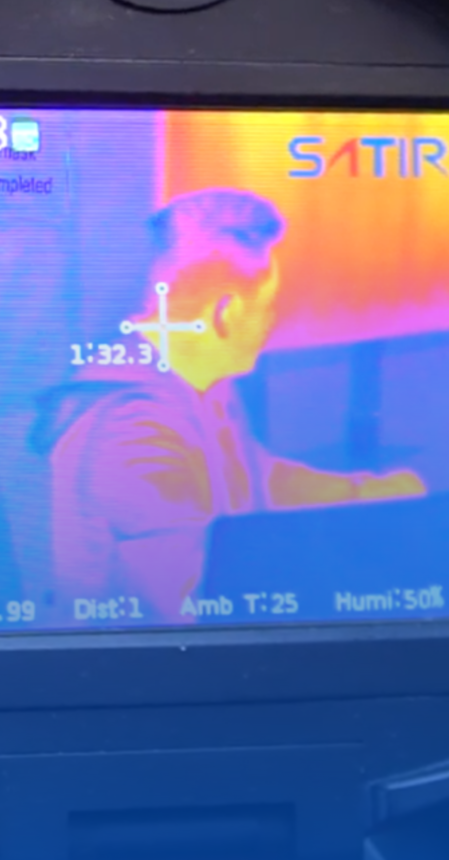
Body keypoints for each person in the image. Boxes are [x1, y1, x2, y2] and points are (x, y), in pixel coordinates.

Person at [28, 188, 427, 617]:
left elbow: (258, 478)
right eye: (268, 305)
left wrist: (366, 493)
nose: (274, 321)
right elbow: (190, 611)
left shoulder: (200, 382)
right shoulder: (134, 432)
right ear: (225, 315)